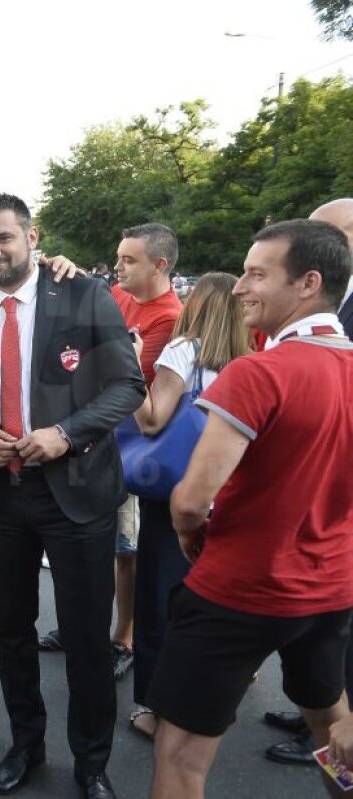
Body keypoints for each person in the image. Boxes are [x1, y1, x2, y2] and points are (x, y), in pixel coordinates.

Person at [147, 219, 353, 799]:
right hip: (329, 589)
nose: (239, 287)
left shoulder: (259, 372)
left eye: (257, 274)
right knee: (332, 727)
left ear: (308, 283)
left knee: (180, 755)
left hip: (238, 590)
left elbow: (191, 499)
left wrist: (190, 532)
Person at [0, 193, 144, 799]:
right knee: (11, 631)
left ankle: (91, 762)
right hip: (1, 497)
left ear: (31, 238)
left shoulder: (85, 295)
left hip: (78, 492)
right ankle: (26, 745)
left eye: (3, 238)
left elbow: (127, 386)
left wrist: (66, 433)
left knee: (86, 639)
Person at [38, 224, 183, 682]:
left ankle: (124, 637)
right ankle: (84, 627)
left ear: (159, 265)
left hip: (133, 451)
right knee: (90, 543)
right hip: (95, 440)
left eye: (128, 260)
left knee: (126, 549)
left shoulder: (169, 318)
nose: (118, 267)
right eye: (118, 258)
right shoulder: (118, 297)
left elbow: (125, 381)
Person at [122, 273, 250, 739]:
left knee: (161, 597)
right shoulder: (248, 361)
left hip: (174, 492)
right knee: (214, 598)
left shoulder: (183, 352)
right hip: (229, 492)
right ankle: (208, 694)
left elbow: (152, 420)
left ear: (197, 305)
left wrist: (132, 365)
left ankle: (153, 705)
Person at [261, 196, 353, 765]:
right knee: (319, 662)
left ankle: (336, 734)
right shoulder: (320, 308)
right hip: (310, 531)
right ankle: (317, 716)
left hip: (333, 525)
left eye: (324, 233)